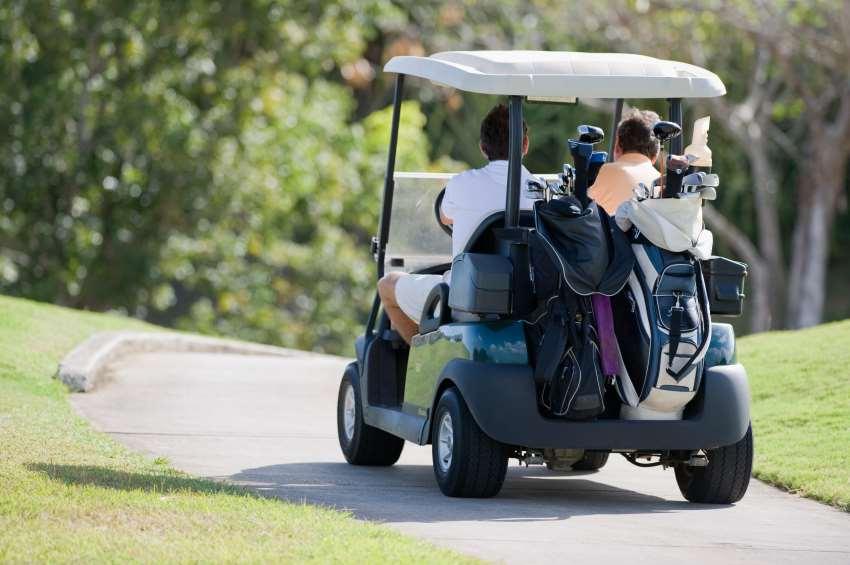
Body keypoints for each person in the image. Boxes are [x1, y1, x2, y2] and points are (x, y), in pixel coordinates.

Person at [378, 104, 538, 344]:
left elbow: (445, 218)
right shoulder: (544, 193)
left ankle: (422, 362)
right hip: (526, 298)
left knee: (387, 285)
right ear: (525, 145)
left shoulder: (461, 184)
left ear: (483, 148)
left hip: (464, 296)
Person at [589, 109, 661, 215]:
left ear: (617, 146)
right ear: (655, 156)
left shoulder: (607, 171)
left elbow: (583, 208)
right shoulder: (661, 182)